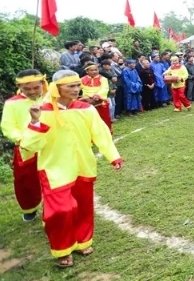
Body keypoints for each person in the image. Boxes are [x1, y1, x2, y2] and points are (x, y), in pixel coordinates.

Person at [20, 70, 123, 268]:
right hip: (54, 169)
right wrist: (35, 121)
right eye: (71, 86)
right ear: (56, 88)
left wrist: (113, 156)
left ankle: (83, 241)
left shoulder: (86, 109)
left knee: (83, 206)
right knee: (60, 210)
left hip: (83, 165)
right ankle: (62, 248)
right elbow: (29, 145)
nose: (76, 89)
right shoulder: (41, 110)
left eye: (77, 85)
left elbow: (100, 134)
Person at [0, 69, 46, 222]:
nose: (32, 92)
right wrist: (21, 139)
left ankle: (56, 206)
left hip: (50, 145)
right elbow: (8, 126)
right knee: (26, 181)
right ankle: (30, 207)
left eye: (36, 87)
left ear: (42, 83)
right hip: (26, 147)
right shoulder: (12, 103)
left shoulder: (50, 98)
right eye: (27, 89)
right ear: (19, 86)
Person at [80, 61, 112, 133]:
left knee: (104, 117)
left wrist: (97, 95)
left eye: (96, 70)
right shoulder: (81, 80)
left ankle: (106, 132)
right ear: (87, 71)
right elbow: (77, 88)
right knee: (89, 119)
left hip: (100, 100)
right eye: (92, 70)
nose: (94, 71)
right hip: (87, 101)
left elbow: (105, 88)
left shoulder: (103, 79)